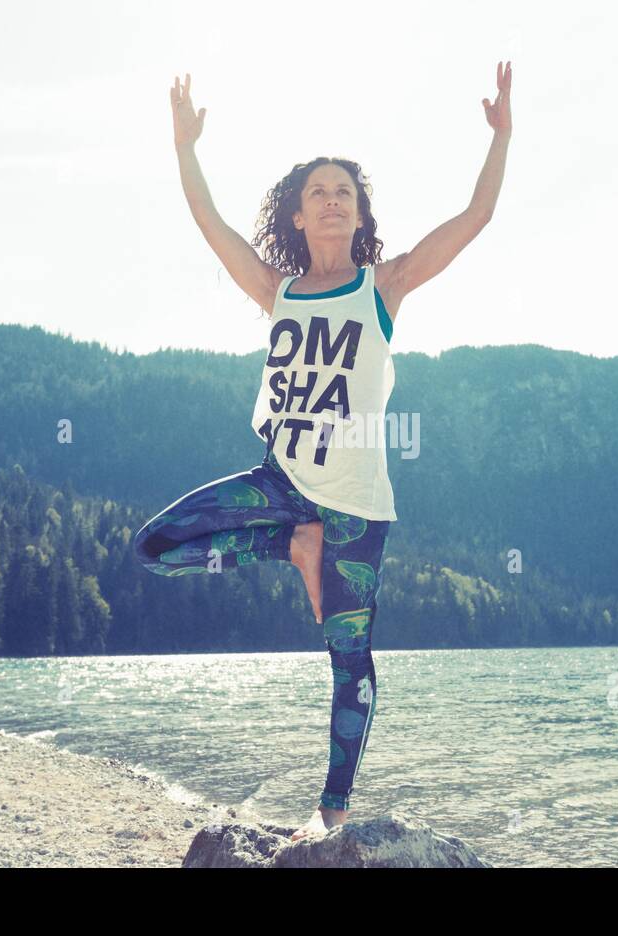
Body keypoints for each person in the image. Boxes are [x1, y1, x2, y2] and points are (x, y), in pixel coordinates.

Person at [135, 63, 512, 842]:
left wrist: (501, 136)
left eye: (345, 190)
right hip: (277, 484)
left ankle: (331, 810)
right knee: (156, 545)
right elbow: (210, 224)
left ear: (359, 212)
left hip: (355, 510)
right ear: (299, 217)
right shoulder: (276, 290)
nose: (333, 198)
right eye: (318, 191)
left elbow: (475, 217)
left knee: (351, 664)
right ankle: (291, 545)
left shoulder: (384, 286)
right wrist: (185, 150)